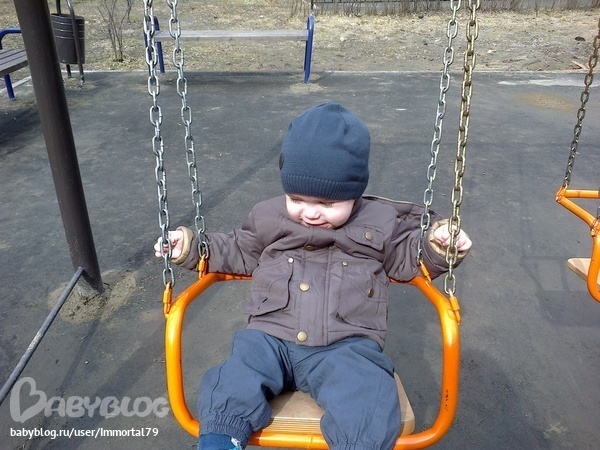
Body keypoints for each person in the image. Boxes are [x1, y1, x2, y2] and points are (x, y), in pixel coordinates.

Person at [154, 102, 472, 450]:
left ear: (354, 194)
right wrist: (190, 246)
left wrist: (440, 245)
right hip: (269, 338)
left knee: (369, 395)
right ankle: (220, 441)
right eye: (296, 199)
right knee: (232, 379)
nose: (310, 213)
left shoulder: (380, 223)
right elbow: (238, 249)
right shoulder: (268, 217)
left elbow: (409, 257)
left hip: (346, 345)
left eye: (326, 204)